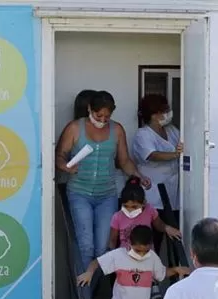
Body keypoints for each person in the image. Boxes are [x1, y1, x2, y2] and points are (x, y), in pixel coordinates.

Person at [55, 90, 151, 275]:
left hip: (107, 194)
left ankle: (91, 294)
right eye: (99, 116)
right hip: (79, 193)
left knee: (103, 248)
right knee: (86, 246)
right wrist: (66, 167)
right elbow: (59, 155)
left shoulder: (117, 130)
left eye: (107, 116)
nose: (103, 120)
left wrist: (138, 175)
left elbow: (124, 161)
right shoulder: (75, 128)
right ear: (90, 109)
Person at [133, 94, 183, 255]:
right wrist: (176, 154)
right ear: (154, 114)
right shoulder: (143, 134)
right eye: (165, 110)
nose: (168, 113)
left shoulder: (172, 130)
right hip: (152, 194)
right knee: (152, 240)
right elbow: (152, 155)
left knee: (176, 241)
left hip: (174, 195)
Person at [108, 176, 181, 251]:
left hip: (147, 253)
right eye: (126, 206)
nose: (129, 210)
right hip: (125, 256)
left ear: (143, 203)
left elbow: (159, 225)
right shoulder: (117, 217)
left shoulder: (150, 210)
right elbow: (112, 240)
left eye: (134, 207)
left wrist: (167, 228)